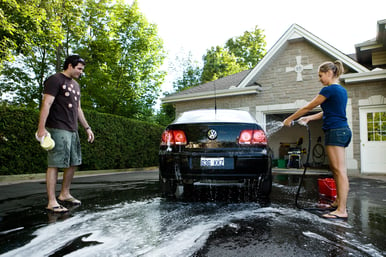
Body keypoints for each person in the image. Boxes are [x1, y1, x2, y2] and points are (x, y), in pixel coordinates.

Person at [283, 60, 352, 220]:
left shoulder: (329, 90)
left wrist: (289, 118)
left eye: (320, 75)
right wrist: (308, 119)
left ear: (329, 73)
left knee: (340, 171)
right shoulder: (341, 90)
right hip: (341, 130)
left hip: (335, 131)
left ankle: (342, 210)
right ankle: (337, 203)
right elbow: (325, 112)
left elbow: (308, 106)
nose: (319, 79)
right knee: (336, 170)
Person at [37, 55, 95, 213]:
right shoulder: (55, 80)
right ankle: (51, 201)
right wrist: (41, 129)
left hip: (72, 129)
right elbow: (46, 103)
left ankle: (64, 194)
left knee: (73, 162)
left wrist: (87, 128)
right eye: (79, 69)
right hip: (57, 127)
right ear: (70, 65)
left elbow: (78, 109)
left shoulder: (76, 85)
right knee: (55, 163)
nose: (81, 72)